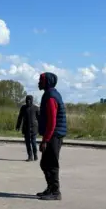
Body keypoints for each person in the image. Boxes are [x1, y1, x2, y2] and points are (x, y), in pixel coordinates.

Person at [36, 72, 66, 201]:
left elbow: (52, 121)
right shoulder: (50, 94)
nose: (38, 82)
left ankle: (55, 191)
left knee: (51, 163)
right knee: (45, 163)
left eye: (40, 80)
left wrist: (45, 140)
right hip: (53, 134)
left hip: (54, 135)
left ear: (47, 82)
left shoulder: (51, 97)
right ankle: (50, 188)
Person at [15, 95, 40, 161]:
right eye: (27, 100)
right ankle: (30, 156)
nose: (28, 101)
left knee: (33, 142)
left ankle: (35, 155)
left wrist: (40, 128)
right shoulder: (23, 108)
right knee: (27, 143)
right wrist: (18, 126)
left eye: (30, 100)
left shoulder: (36, 108)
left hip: (34, 128)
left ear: (32, 100)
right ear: (25, 100)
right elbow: (20, 117)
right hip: (26, 128)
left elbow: (39, 119)